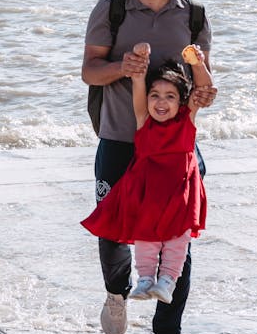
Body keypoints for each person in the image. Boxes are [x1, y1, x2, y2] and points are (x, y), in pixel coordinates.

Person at [81, 0, 217, 334]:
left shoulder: (193, 15)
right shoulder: (112, 10)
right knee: (114, 231)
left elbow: (203, 79)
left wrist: (204, 91)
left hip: (176, 151)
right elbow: (89, 72)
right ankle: (117, 293)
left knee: (178, 238)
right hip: (121, 137)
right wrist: (124, 66)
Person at [80, 48, 209, 305]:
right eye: (155, 96)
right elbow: (138, 82)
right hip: (148, 191)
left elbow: (203, 89)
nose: (161, 102)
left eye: (170, 96)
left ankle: (168, 281)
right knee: (145, 237)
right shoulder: (144, 120)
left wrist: (198, 64)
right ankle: (146, 279)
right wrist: (140, 59)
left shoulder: (187, 120)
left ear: (181, 101)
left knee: (176, 239)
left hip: (179, 191)